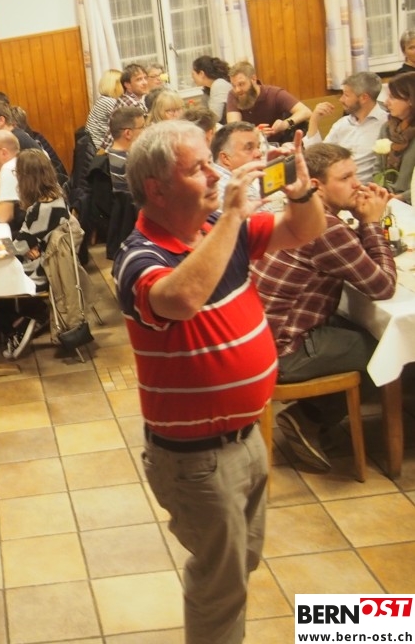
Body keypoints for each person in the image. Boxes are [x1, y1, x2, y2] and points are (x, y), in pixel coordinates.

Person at [113, 120, 324, 643]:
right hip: (196, 459)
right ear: (157, 189)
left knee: (238, 565)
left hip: (247, 438)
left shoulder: (213, 229)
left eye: (212, 161)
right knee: (220, 584)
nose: (214, 175)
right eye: (197, 168)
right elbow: (181, 299)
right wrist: (231, 215)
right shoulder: (139, 256)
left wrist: (301, 194)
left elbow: (304, 231)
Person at [253, 143, 396, 472]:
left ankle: (314, 416)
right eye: (345, 178)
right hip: (282, 352)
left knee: (359, 328)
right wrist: (372, 223)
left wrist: (362, 224)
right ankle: (308, 419)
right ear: (316, 186)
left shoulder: (301, 212)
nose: (357, 184)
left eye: (355, 174)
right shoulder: (325, 227)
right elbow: (383, 286)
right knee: (385, 348)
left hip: (260, 339)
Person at [2, 149, 72, 360]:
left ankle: (21, 322)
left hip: (43, 270)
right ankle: (28, 317)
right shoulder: (58, 196)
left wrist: (4, 243)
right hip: (52, 260)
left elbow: (16, 248)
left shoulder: (40, 209)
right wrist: (29, 245)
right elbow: (27, 241)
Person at [302, 72, 387, 184]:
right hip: (334, 185)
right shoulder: (342, 124)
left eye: (346, 95)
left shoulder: (386, 124)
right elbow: (317, 158)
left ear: (364, 98)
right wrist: (314, 120)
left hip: (365, 188)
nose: (341, 100)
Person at [225, 61, 311, 140]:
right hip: (249, 144)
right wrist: (253, 133)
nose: (237, 90)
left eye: (241, 84)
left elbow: (306, 112)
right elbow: (233, 129)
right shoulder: (233, 95)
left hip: (277, 144)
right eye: (234, 85)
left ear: (253, 79)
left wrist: (286, 124)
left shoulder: (274, 94)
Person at [211, 121, 264, 208]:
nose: (259, 153)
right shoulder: (231, 191)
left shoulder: (241, 180)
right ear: (226, 158)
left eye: (258, 147)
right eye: (249, 148)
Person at [380, 72, 415, 201]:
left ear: (410, 100)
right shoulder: (387, 128)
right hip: (387, 196)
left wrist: (401, 197)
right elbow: (377, 167)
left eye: (392, 97)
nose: (386, 103)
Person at [107, 106, 146, 195]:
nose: (145, 130)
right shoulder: (129, 163)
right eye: (142, 127)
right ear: (128, 133)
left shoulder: (109, 156)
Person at [85, 68, 124, 150]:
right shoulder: (109, 102)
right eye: (122, 83)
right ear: (115, 85)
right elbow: (125, 122)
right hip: (100, 148)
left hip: (98, 145)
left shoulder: (103, 99)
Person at [191, 55, 232, 120]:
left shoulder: (219, 84)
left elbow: (215, 117)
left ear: (201, 74)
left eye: (193, 74)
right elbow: (202, 112)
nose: (192, 78)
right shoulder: (208, 89)